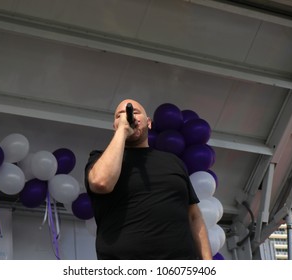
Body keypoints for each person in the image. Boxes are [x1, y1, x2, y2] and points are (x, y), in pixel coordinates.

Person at [84, 99, 212, 260]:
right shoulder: (99, 159)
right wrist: (123, 131)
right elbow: (101, 183)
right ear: (115, 126)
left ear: (149, 123)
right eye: (120, 115)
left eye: (135, 112)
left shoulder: (173, 162)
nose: (128, 117)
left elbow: (194, 215)